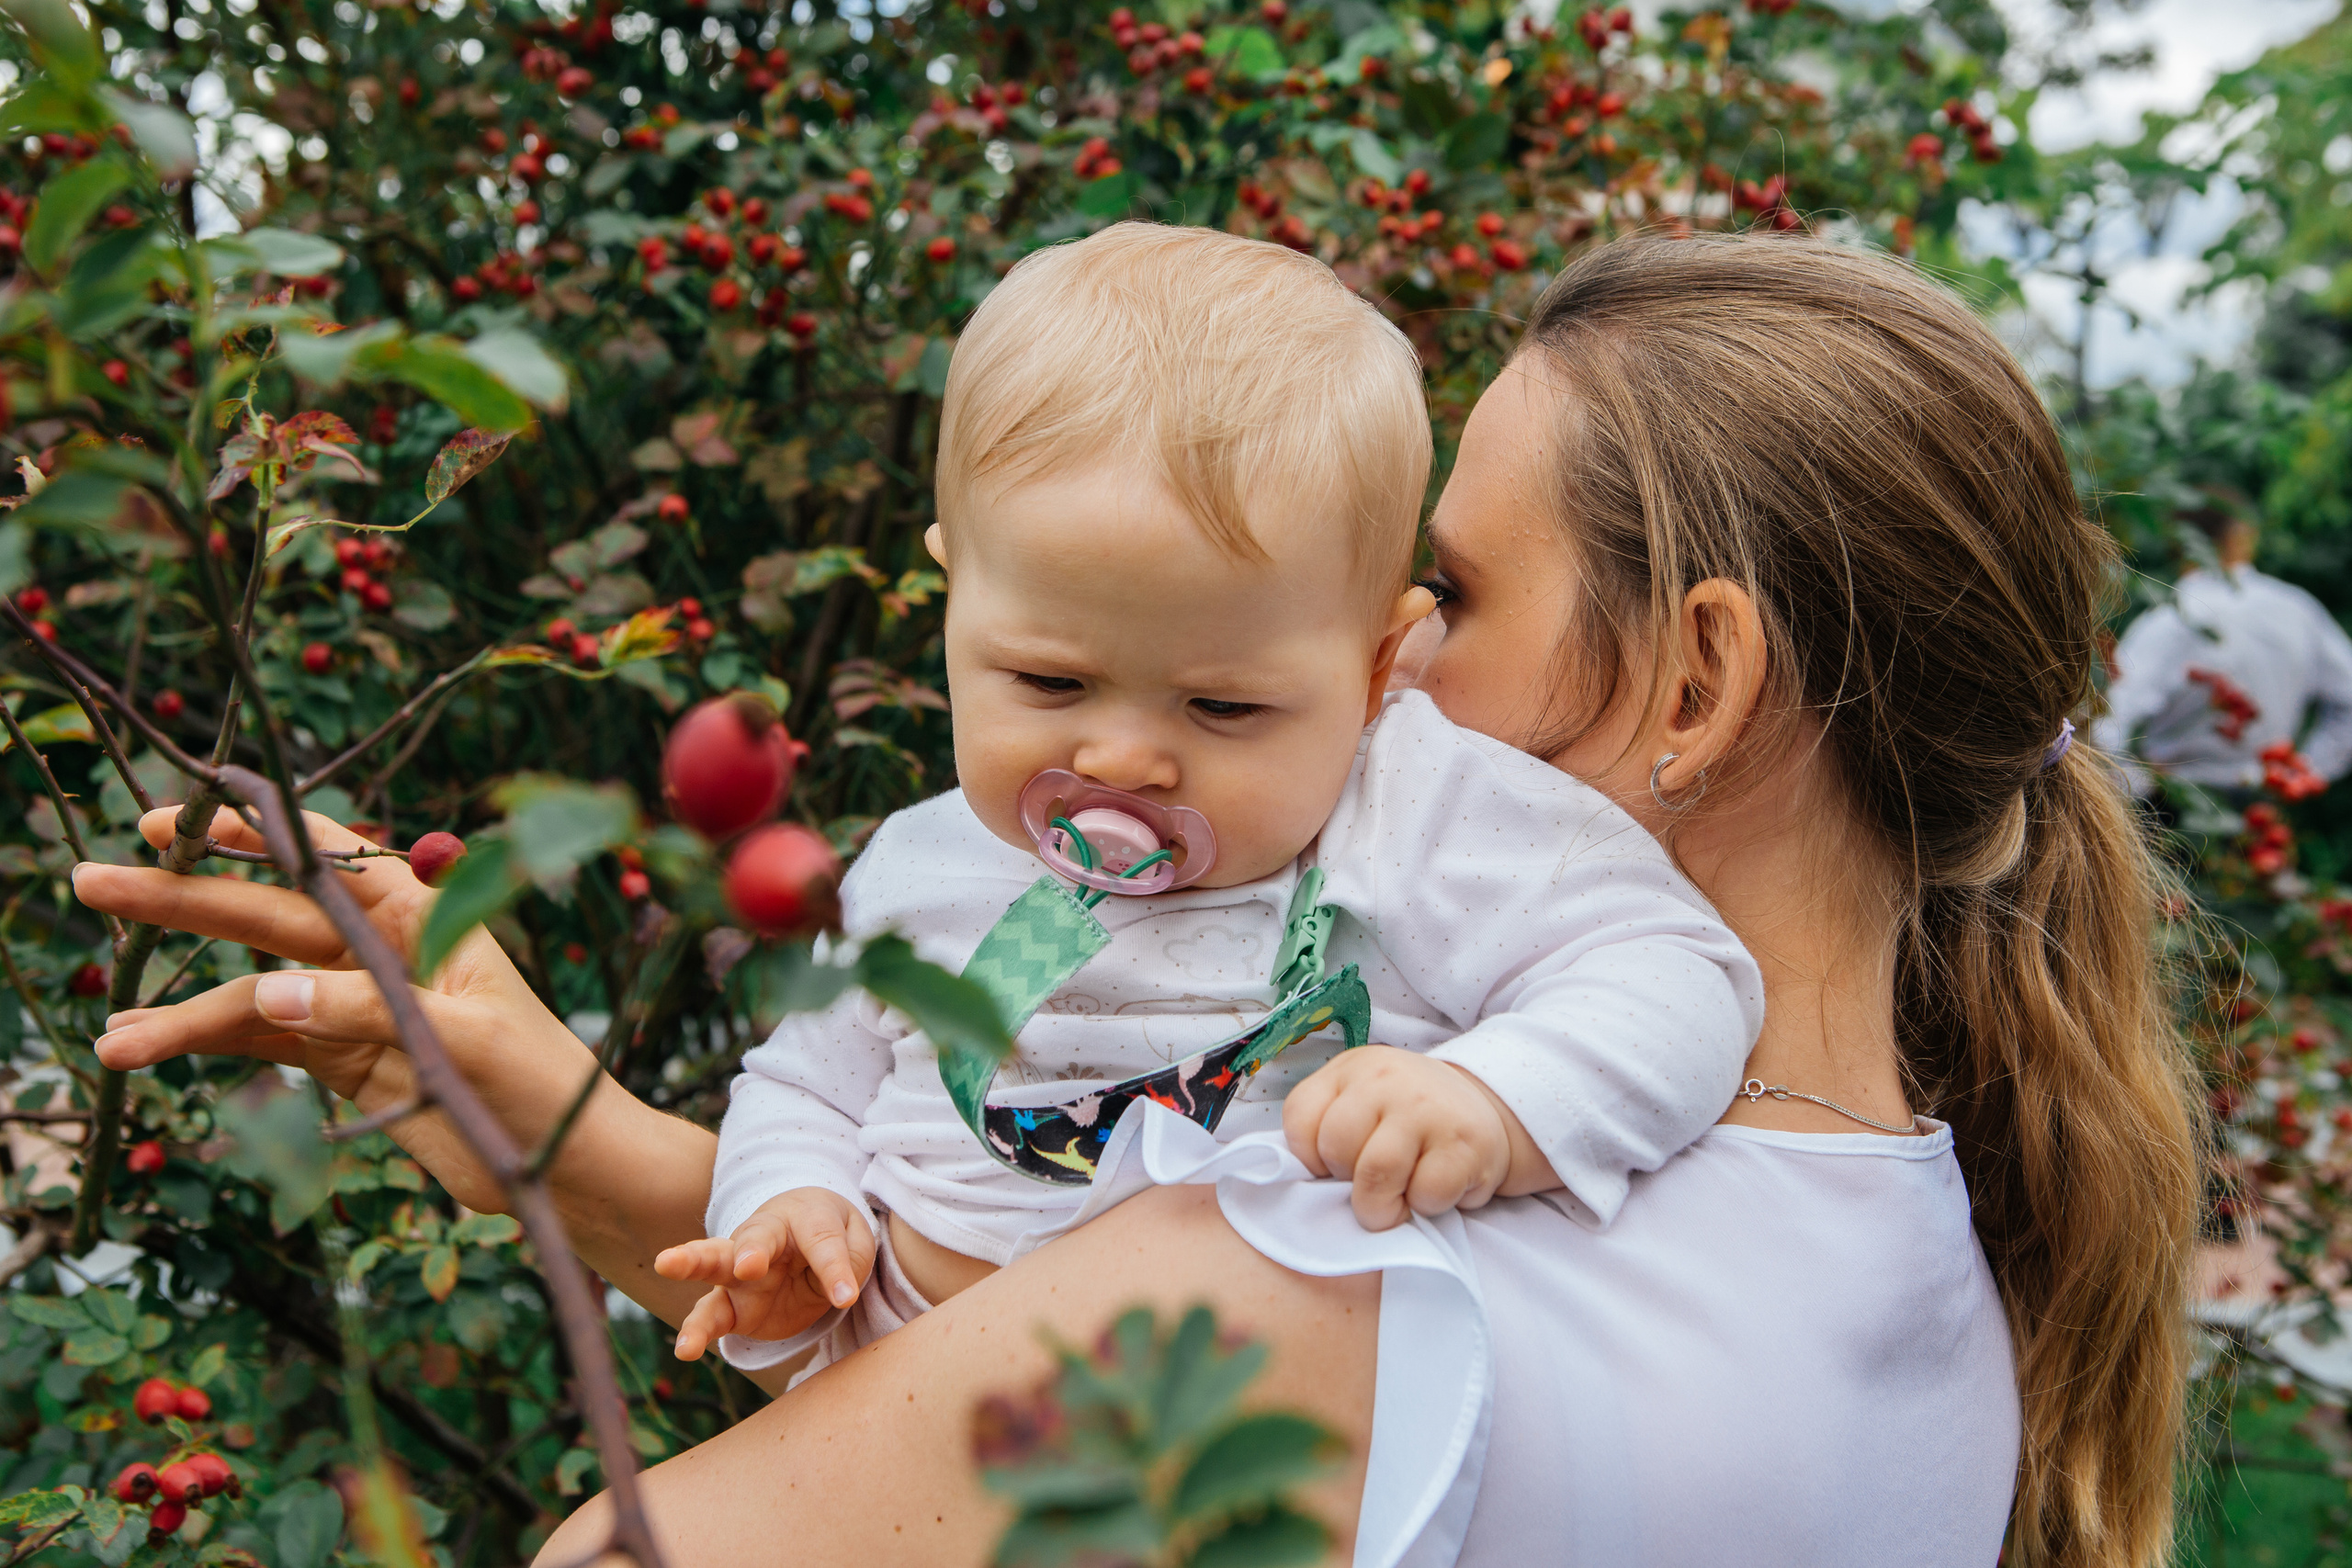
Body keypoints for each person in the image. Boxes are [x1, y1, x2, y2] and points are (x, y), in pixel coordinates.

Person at [76, 232, 2201, 1568]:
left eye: (1442, 593)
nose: (1385, 655)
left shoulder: (1306, 1267)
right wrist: (559, 1120)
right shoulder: (1923, 1253)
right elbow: (955, 1292)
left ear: (1695, 680)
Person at [661, 223, 1761, 1385]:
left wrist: (1495, 1103)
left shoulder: (1409, 810)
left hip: (1218, 1433)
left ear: (1377, 667)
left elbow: (1674, 975)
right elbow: (801, 1085)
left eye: (1224, 708)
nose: (1124, 758)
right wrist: (790, 1204)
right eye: (1048, 681)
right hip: (893, 1404)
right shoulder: (914, 867)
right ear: (951, 604)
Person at [2091, 503, 2352, 791]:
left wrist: (2139, 787)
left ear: (2179, 544)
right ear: (2240, 537)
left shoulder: (2171, 620)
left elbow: (2108, 725)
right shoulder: (2298, 610)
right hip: (2268, 801)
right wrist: (2311, 770)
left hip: (2175, 806)